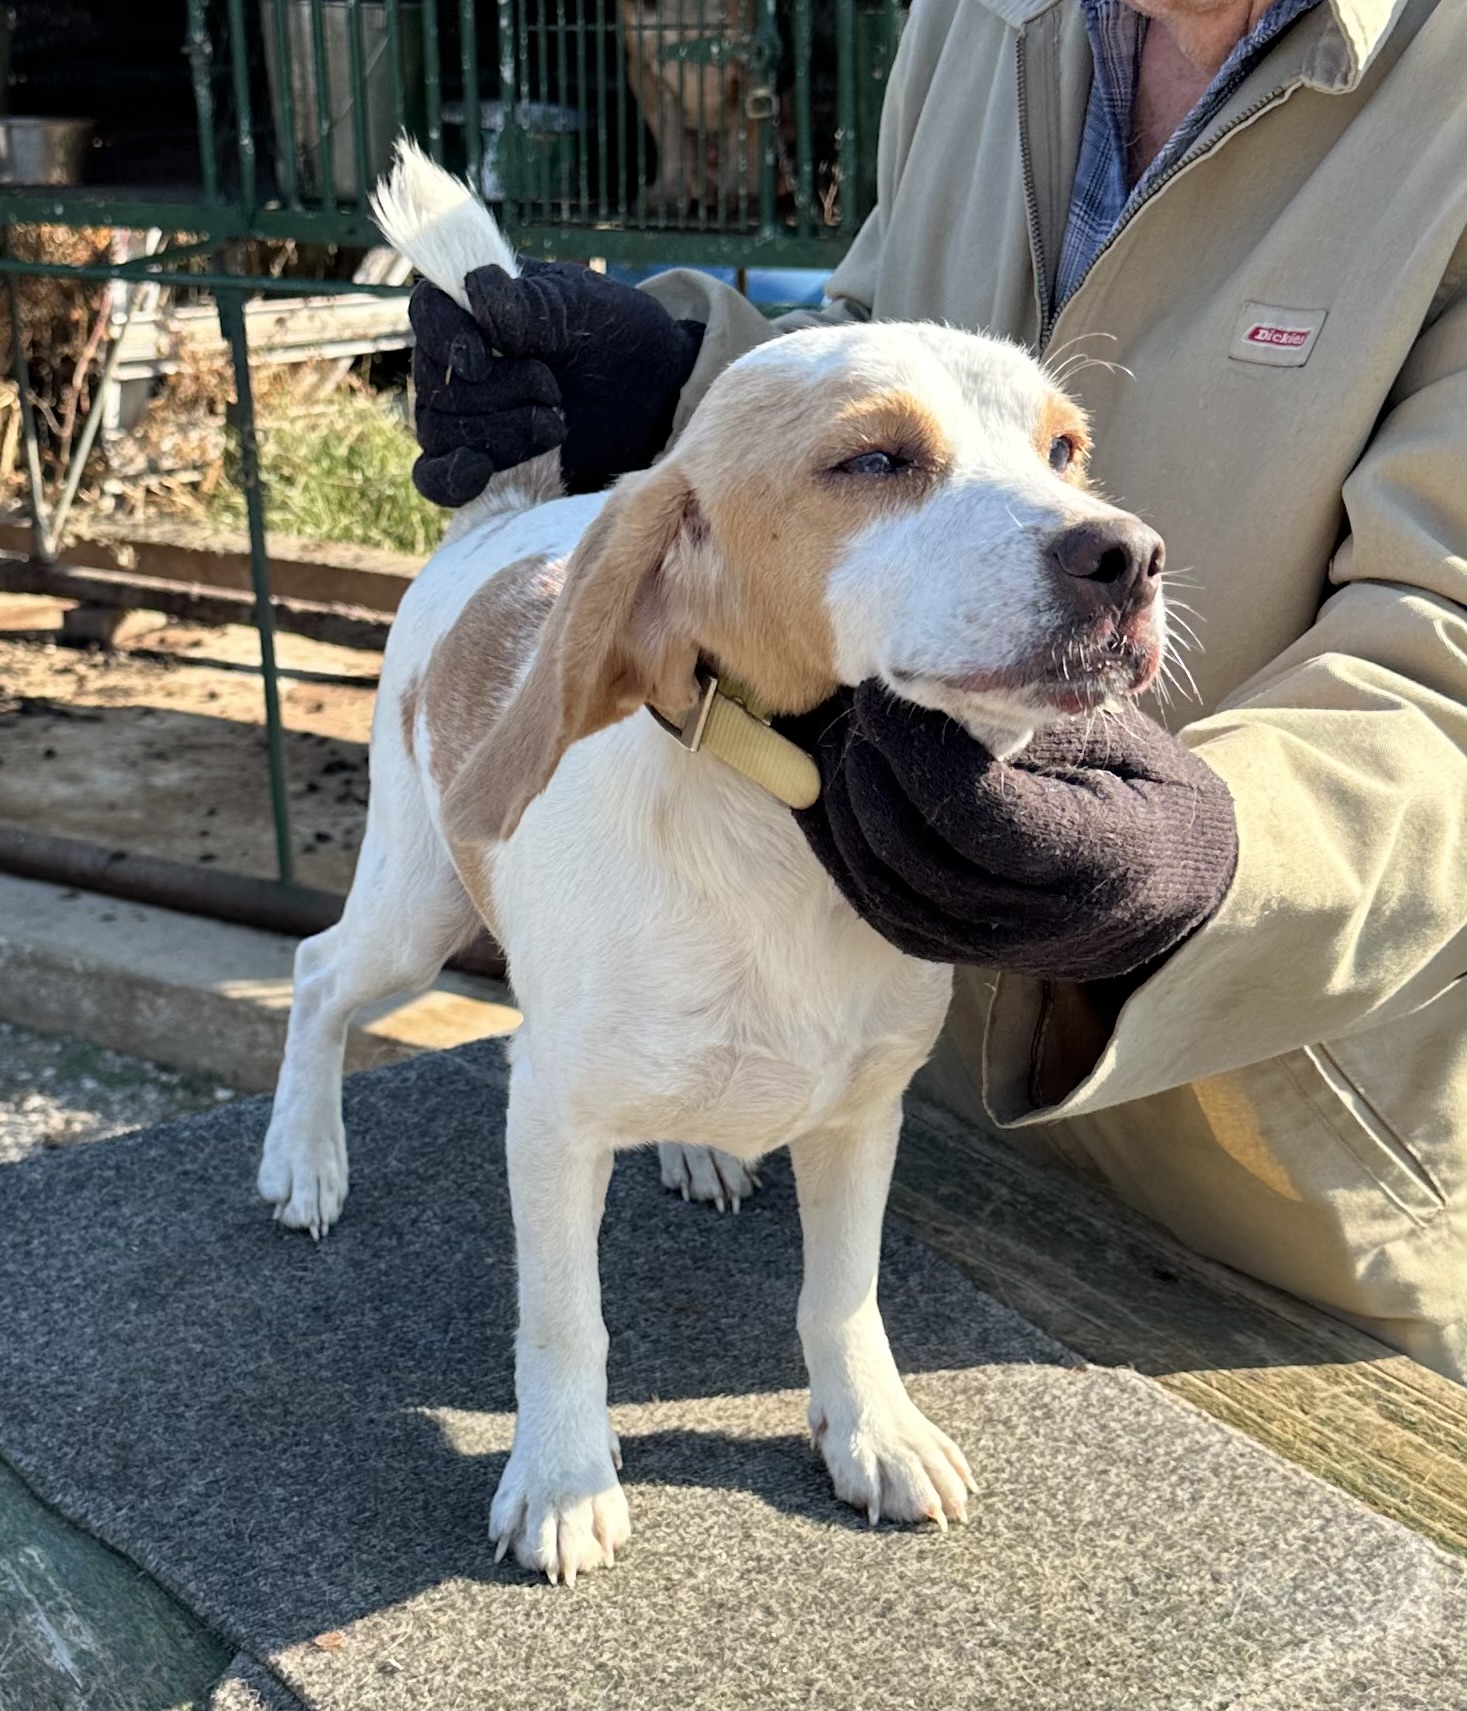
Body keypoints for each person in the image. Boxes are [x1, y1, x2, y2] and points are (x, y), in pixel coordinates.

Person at [406, 0, 1467, 1378]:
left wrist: (1214, 855)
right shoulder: (973, 16)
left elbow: (1445, 643)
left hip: (1278, 1188)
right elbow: (884, 346)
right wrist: (681, 390)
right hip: (896, 1072)